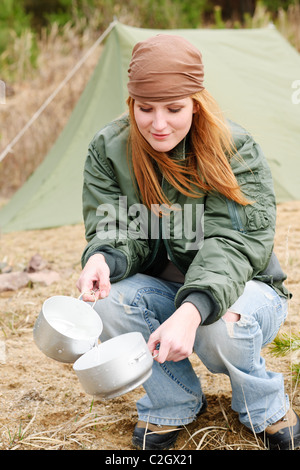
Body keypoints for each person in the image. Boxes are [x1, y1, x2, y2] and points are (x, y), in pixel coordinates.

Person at [77, 34, 300, 451]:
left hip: (245, 292)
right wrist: (104, 258)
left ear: (196, 103)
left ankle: (264, 407)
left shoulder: (236, 149)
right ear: (131, 105)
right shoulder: (109, 150)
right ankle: (173, 402)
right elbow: (117, 226)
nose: (159, 124)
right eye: (146, 109)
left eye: (174, 109)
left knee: (220, 328)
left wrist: (194, 308)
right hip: (164, 290)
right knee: (108, 300)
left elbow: (235, 243)